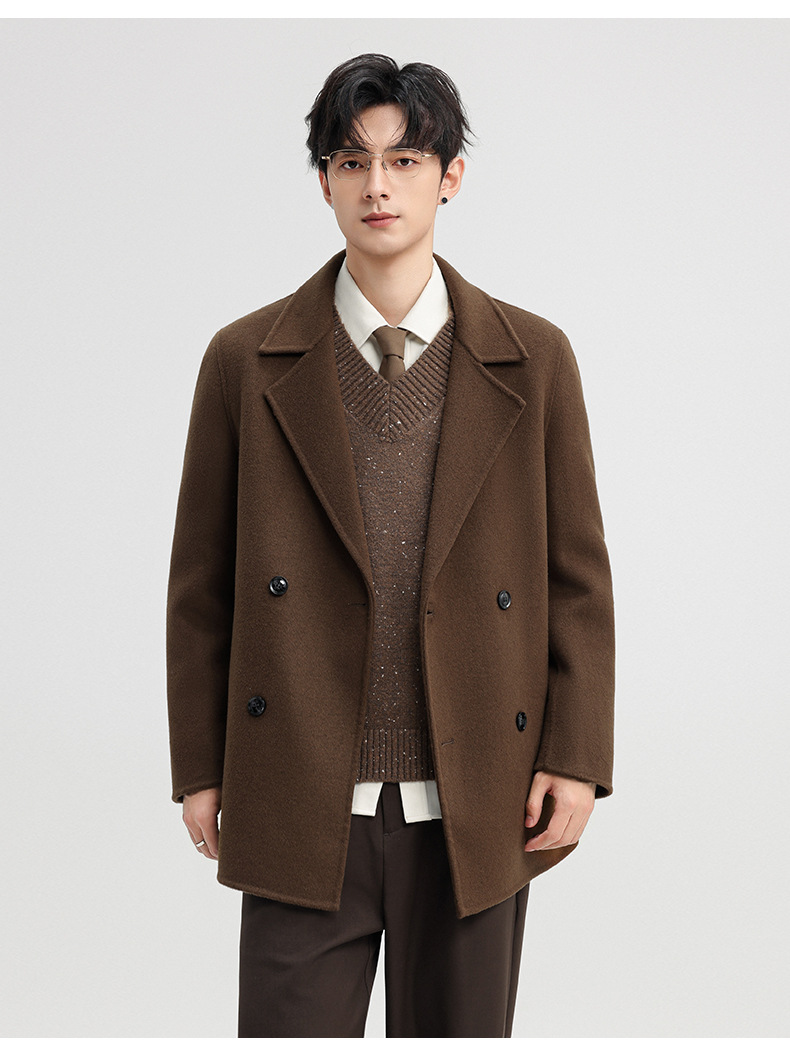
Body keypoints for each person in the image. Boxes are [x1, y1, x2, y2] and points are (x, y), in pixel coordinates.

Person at [166, 53, 615, 1039]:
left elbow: (576, 577)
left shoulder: (533, 358)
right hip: (298, 790)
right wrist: (199, 764)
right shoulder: (245, 360)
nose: (378, 185)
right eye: (351, 160)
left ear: (450, 176)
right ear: (323, 181)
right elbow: (200, 584)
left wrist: (577, 757)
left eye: (405, 160)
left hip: (480, 798)